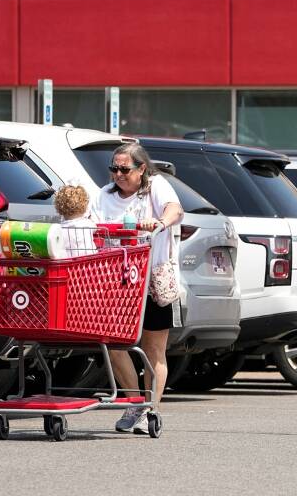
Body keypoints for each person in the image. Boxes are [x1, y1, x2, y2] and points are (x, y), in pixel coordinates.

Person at [88, 142, 183, 435]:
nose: (118, 174)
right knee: (115, 346)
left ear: (142, 169)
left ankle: (152, 409)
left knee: (153, 349)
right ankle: (135, 405)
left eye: (124, 169)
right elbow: (90, 222)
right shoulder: (104, 195)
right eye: (113, 168)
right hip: (116, 280)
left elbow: (174, 209)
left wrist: (159, 223)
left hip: (151, 279)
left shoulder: (156, 186)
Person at [52, 183, 97, 257]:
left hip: (68, 264)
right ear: (84, 206)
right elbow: (95, 227)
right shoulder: (87, 223)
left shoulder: (59, 229)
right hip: (89, 263)